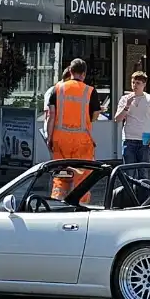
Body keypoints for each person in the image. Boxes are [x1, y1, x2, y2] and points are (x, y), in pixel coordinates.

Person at [44, 58, 102, 203]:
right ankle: (80, 206)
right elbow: (94, 116)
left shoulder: (57, 89)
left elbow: (51, 116)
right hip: (81, 141)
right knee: (82, 176)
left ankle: (58, 203)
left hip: (60, 139)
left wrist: (49, 138)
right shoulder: (90, 91)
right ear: (84, 74)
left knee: (61, 175)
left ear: (70, 71)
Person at [115, 71, 150, 174]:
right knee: (129, 174)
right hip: (129, 139)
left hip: (145, 140)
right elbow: (117, 119)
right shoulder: (125, 99)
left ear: (144, 84)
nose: (134, 85)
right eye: (133, 82)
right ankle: (129, 190)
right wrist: (127, 106)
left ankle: (143, 191)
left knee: (143, 174)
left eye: (138, 83)